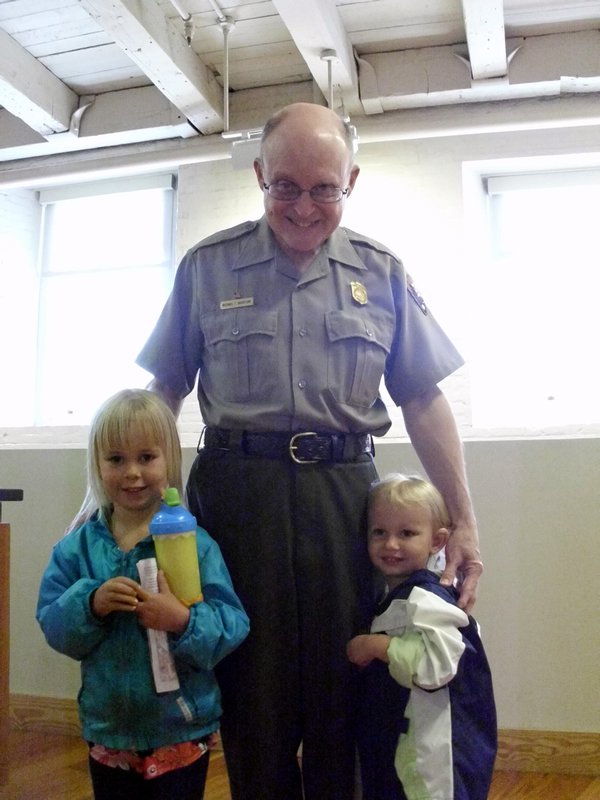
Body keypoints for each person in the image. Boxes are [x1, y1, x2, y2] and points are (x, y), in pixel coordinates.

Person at [136, 101, 482, 800]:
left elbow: (422, 397)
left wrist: (465, 521)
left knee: (346, 689)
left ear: (350, 180)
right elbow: (162, 389)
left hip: (346, 500)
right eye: (284, 186)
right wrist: (116, 503)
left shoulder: (382, 272)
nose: (302, 206)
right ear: (260, 174)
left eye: (323, 187)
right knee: (249, 691)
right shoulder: (208, 268)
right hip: (236, 499)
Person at [36, 389, 249, 800]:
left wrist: (183, 621)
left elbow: (232, 622)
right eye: (116, 459)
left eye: (146, 457)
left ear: (169, 460)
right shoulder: (76, 548)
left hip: (181, 728)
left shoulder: (195, 544)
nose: (132, 472)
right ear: (97, 465)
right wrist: (90, 603)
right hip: (108, 728)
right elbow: (53, 625)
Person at [347, 474, 497, 800]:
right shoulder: (401, 594)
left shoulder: (426, 598)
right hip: (406, 745)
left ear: (437, 540)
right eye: (379, 532)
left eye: (406, 533)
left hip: (431, 757)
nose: (390, 544)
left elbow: (438, 665)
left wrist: (377, 645)